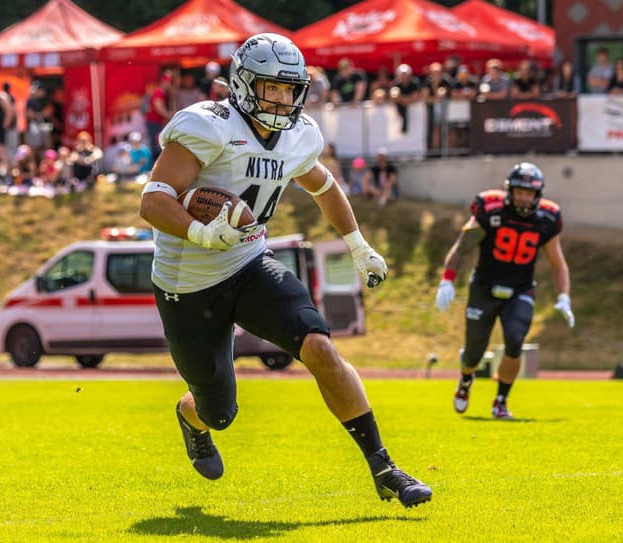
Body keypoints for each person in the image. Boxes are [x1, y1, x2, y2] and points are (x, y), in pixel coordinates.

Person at [139, 33, 432, 508]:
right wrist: (202, 233)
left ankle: (384, 467)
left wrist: (358, 246)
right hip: (187, 282)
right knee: (219, 412)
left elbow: (324, 185)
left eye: (290, 89)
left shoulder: (299, 136)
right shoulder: (208, 126)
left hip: (249, 261)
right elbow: (153, 202)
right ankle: (191, 416)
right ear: (243, 83)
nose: (281, 99)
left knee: (319, 344)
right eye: (271, 87)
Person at [434, 162, 575, 420]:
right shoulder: (489, 209)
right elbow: (461, 247)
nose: (523, 197)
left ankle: (501, 401)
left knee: (515, 340)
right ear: (510, 190)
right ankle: (466, 379)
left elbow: (557, 263)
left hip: (520, 289)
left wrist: (563, 296)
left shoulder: (547, 218)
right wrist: (447, 280)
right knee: (474, 349)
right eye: (519, 191)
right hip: (484, 287)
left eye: (528, 192)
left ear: (537, 194)